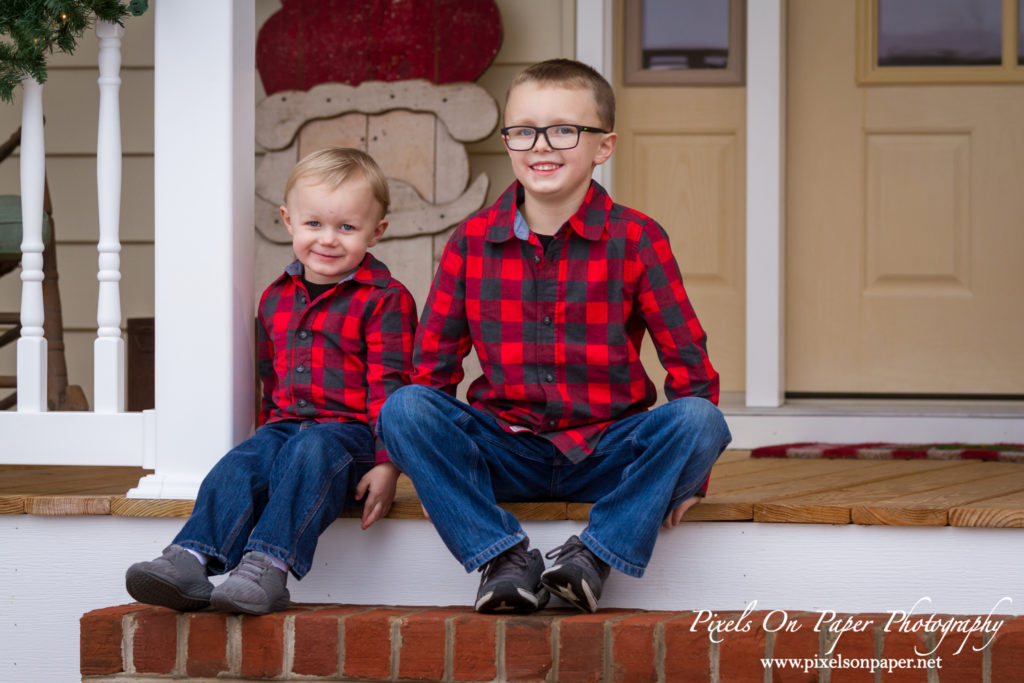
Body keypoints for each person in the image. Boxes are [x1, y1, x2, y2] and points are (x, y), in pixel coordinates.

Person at [378, 58, 731, 614]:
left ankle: (592, 556)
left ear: (603, 146)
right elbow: (432, 370)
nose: (541, 146)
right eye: (523, 131)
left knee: (700, 420)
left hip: (609, 449)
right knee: (404, 409)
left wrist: (689, 477)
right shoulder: (471, 242)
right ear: (508, 142)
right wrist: (432, 473)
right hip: (504, 449)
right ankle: (503, 558)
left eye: (564, 130)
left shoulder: (637, 238)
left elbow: (690, 367)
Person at [126, 147, 416, 615]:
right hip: (285, 427)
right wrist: (264, 440)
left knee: (310, 447)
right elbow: (270, 377)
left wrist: (388, 464)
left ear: (376, 231)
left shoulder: (386, 300)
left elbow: (391, 388)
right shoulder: (275, 297)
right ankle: (190, 560)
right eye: (314, 224)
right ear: (288, 221)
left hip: (351, 439)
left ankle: (267, 567)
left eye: (347, 227)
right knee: (240, 462)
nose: (328, 239)